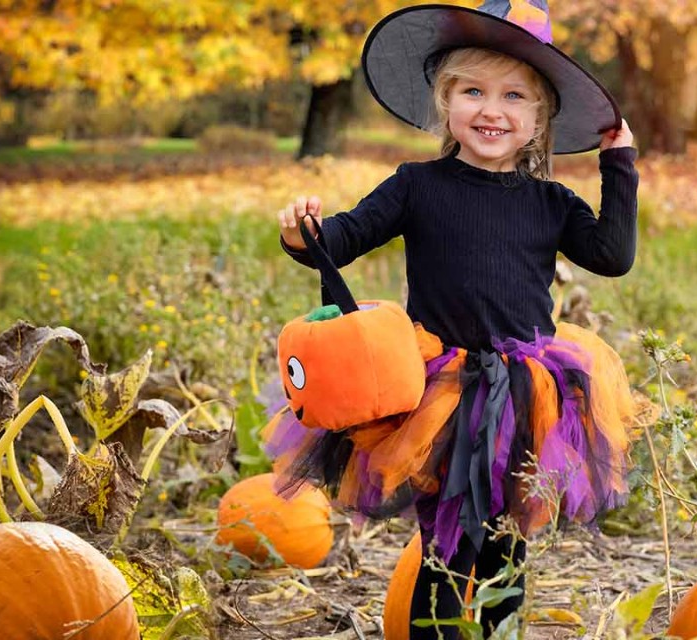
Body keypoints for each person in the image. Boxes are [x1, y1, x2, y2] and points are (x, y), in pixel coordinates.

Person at [266, 2, 637, 637]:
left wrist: (619, 162)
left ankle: (500, 630)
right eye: (474, 91)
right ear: (445, 102)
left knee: (506, 542)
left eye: (514, 96)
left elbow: (612, 255)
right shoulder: (417, 186)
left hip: (525, 392)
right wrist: (304, 235)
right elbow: (346, 238)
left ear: (538, 120)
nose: (493, 110)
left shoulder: (552, 202)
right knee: (444, 545)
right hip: (437, 394)